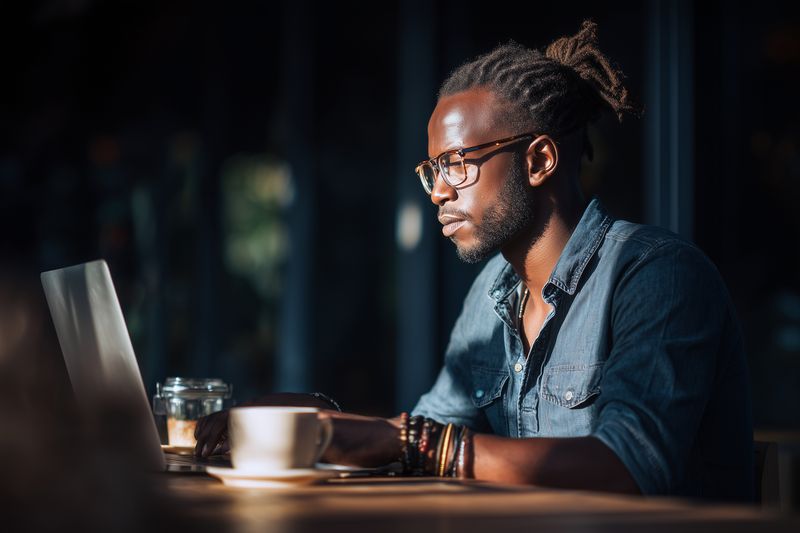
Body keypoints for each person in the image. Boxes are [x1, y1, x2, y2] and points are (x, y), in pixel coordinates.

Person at [195, 21, 754, 501]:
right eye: (431, 170)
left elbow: (629, 467)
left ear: (538, 160)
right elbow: (433, 434)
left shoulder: (656, 275)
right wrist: (319, 420)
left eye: (457, 164)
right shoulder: (494, 292)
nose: (437, 192)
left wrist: (409, 440)